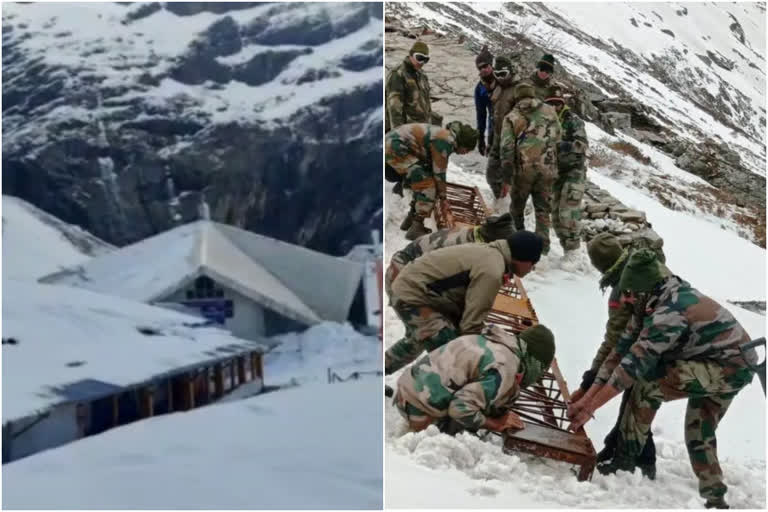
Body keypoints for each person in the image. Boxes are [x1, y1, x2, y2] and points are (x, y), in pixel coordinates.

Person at [568, 249, 757, 509]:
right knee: (699, 429)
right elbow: (619, 352)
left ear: (642, 290)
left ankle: (625, 461)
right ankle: (716, 497)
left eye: (629, 293)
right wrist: (587, 398)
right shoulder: (649, 300)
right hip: (726, 362)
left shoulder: (669, 312)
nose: (624, 299)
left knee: (646, 386)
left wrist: (589, 408)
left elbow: (631, 367)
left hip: (730, 367)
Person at [570, 233, 669, 478]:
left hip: (654, 347)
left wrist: (589, 383)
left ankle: (642, 460)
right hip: (657, 341)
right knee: (631, 400)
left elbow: (614, 341)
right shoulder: (639, 266)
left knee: (636, 401)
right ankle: (616, 446)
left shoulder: (623, 286)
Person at [385, 230, 543, 375]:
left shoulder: (491, 253)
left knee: (418, 341)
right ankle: (421, 398)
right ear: (523, 259)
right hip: (413, 294)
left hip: (413, 288)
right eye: (533, 263)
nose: (532, 268)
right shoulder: (492, 270)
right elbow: (470, 326)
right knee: (451, 353)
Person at [394, 323, 555, 433]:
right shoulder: (506, 365)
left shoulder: (493, 341)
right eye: (540, 371)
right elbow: (459, 408)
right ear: (535, 361)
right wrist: (495, 424)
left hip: (406, 390)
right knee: (462, 437)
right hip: (419, 408)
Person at [385, 213, 515, 298]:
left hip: (406, 270)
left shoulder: (471, 235)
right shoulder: (467, 249)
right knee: (439, 332)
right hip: (401, 275)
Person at [385, 121, 478, 240]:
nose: (466, 153)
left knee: (422, 180)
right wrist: (443, 197)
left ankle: (410, 220)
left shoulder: (445, 136)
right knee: (428, 186)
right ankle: (416, 226)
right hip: (395, 149)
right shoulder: (446, 142)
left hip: (395, 147)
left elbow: (432, 167)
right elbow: (439, 174)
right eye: (467, 149)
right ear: (463, 143)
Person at [500, 82, 561, 254]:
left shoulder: (512, 117)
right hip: (548, 169)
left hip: (523, 171)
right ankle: (543, 248)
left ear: (517, 97)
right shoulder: (550, 111)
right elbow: (558, 136)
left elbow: (506, 148)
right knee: (543, 209)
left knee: (517, 208)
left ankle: (518, 242)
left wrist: (506, 176)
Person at [545, 88, 589, 258]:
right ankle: (566, 249)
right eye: (550, 103)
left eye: (557, 103)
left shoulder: (573, 121)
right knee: (555, 214)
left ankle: (573, 251)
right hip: (556, 171)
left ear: (562, 104)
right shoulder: (544, 121)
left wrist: (566, 145)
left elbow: (582, 145)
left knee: (568, 212)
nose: (554, 106)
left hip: (574, 170)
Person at [385, 41, 441, 131]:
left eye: (425, 60)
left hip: (421, 129)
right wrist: (397, 135)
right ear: (411, 55)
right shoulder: (398, 75)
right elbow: (394, 109)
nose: (422, 62)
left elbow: (426, 104)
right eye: (419, 58)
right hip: (406, 131)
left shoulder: (422, 75)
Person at [485, 55, 519, 201]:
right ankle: (500, 199)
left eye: (503, 74)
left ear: (510, 72)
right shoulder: (497, 89)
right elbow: (494, 115)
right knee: (491, 173)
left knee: (511, 176)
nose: (500, 78)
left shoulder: (519, 90)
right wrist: (491, 138)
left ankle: (513, 206)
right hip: (498, 137)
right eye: (497, 74)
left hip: (514, 140)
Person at [474, 46, 495, 157]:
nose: (483, 70)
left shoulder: (503, 80)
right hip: (493, 129)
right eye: (479, 68)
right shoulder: (480, 89)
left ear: (491, 64)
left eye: (485, 66)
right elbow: (481, 114)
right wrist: (481, 137)